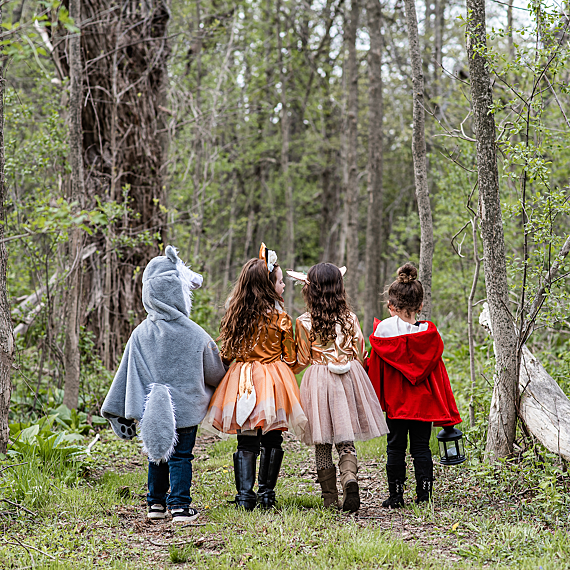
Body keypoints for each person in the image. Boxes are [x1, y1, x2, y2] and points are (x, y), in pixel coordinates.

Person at [101, 246, 227, 523]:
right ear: (178, 292)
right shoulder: (196, 334)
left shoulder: (139, 334)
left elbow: (127, 371)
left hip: (151, 408)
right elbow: (215, 372)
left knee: (157, 454)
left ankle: (155, 504)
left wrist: (121, 407)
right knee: (182, 456)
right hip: (186, 407)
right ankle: (181, 506)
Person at [203, 244, 307, 511]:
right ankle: (267, 495)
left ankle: (245, 496)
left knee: (246, 436)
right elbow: (291, 357)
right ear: (268, 286)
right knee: (273, 435)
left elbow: (226, 353)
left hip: (243, 378)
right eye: (281, 281)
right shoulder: (281, 318)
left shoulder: (236, 316)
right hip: (273, 379)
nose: (283, 285)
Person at [288, 263, 388, 512]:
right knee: (346, 438)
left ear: (309, 290)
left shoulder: (303, 322)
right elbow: (361, 354)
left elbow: (301, 360)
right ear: (339, 288)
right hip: (347, 378)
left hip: (319, 380)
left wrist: (284, 369)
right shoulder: (349, 318)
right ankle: (350, 479)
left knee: (322, 441)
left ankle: (330, 498)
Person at [367, 263, 462, 508]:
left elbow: (372, 368)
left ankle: (396, 495)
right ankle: (424, 495)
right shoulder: (429, 339)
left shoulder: (382, 337)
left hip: (396, 404)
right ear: (420, 305)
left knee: (395, 447)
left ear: (390, 307)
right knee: (421, 448)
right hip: (423, 404)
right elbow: (440, 378)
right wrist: (448, 413)